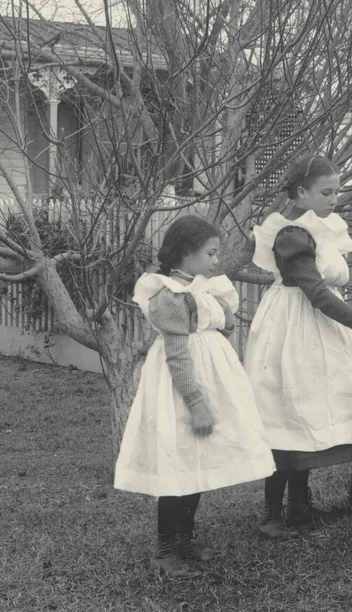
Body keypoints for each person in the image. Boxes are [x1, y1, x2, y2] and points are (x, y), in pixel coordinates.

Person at [244, 154, 352, 539]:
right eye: (326, 192)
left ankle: (299, 506)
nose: (335, 199)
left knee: (308, 411)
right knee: (287, 413)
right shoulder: (290, 234)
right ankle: (270, 513)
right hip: (294, 328)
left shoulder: (322, 228)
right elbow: (315, 293)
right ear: (301, 193)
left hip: (319, 329)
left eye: (337, 191)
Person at [114, 215, 276, 578]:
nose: (217, 261)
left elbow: (228, 322)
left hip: (212, 377)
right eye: (211, 253)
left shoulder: (202, 287)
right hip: (182, 386)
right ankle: (164, 550)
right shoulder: (169, 296)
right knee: (180, 463)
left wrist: (219, 302)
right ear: (186, 255)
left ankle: (185, 538)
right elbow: (177, 354)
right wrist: (196, 403)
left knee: (198, 464)